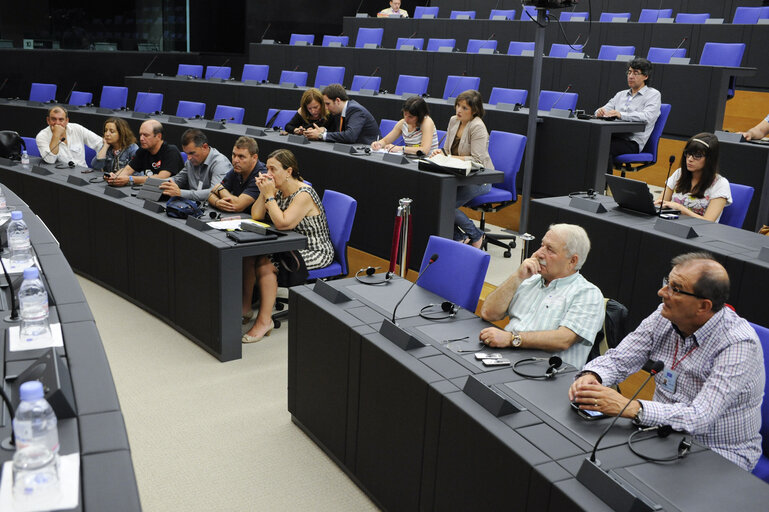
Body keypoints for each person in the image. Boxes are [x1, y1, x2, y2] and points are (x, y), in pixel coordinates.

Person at [569, 253, 764, 471]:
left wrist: (631, 407)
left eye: (675, 289)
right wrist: (592, 376)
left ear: (703, 306)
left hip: (717, 451)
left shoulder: (738, 345)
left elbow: (700, 417)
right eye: (666, 283)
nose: (662, 292)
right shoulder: (664, 316)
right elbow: (619, 359)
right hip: (660, 433)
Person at [479, 224, 605, 369]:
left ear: (572, 261)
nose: (539, 253)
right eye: (542, 245)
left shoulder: (587, 294)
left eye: (550, 249)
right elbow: (488, 313)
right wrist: (517, 276)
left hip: (544, 373)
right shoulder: (529, 279)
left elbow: (563, 339)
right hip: (505, 359)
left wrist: (512, 339)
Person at [242, 149, 333, 343]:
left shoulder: (304, 193)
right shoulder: (278, 190)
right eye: (266, 168)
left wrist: (269, 196)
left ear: (289, 171)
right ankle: (245, 307)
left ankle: (264, 321)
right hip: (287, 245)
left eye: (273, 169)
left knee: (266, 263)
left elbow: (284, 223)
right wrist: (263, 193)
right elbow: (257, 216)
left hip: (314, 249)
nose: (267, 174)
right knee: (249, 254)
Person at [430, 89, 494, 248]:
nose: (459, 110)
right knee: (435, 198)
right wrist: (441, 152)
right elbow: (447, 150)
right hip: (458, 175)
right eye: (458, 105)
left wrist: (449, 157)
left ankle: (476, 235)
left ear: (475, 110)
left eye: (464, 108)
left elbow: (478, 160)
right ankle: (459, 236)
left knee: (445, 203)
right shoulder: (453, 120)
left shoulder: (478, 127)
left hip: (479, 178)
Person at [655, 133, 731, 222]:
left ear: (710, 159)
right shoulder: (679, 173)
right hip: (672, 225)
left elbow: (708, 221)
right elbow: (660, 203)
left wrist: (680, 209)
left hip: (700, 231)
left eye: (697, 156)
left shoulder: (720, 184)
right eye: (688, 153)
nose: (690, 159)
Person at [595, 57, 661, 161]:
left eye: (635, 73)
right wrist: (599, 112)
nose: (630, 76)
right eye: (629, 72)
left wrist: (620, 114)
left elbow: (647, 117)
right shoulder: (620, 94)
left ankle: (604, 178)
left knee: (603, 148)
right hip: (613, 136)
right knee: (591, 142)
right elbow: (604, 109)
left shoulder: (653, 95)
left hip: (632, 142)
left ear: (646, 76)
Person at [158, 129, 232, 201]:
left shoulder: (220, 163)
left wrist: (181, 193)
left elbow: (214, 192)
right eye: (186, 153)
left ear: (205, 147)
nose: (189, 158)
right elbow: (178, 180)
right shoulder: (191, 161)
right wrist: (155, 182)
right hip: (193, 205)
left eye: (192, 153)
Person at [106, 120, 184, 186]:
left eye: (146, 135)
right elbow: (128, 170)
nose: (141, 139)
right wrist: (115, 177)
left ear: (158, 136)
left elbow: (161, 178)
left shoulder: (171, 151)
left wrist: (130, 179)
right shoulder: (143, 151)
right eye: (140, 135)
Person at [303, 84, 379, 144]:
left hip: (369, 148)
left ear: (338, 101)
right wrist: (322, 131)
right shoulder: (339, 111)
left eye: (328, 104)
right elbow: (339, 134)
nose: (326, 108)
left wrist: (321, 135)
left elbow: (350, 136)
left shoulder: (355, 110)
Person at [207, 136, 266, 213]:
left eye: (241, 157)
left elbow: (237, 206)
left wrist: (219, 188)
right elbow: (210, 194)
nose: (235, 160)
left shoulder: (261, 175)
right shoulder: (236, 170)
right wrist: (217, 202)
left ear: (254, 157)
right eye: (234, 155)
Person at [35, 105, 102, 167]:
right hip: (61, 175)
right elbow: (50, 160)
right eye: (53, 119)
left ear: (67, 121)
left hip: (83, 172)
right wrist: (56, 135)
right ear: (48, 120)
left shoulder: (77, 129)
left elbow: (99, 143)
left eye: (61, 119)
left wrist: (100, 164)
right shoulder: (42, 136)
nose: (57, 123)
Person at [371, 96, 439, 155]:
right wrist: (378, 144)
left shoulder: (427, 122)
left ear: (420, 115)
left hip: (425, 162)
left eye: (410, 117)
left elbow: (424, 150)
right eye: (405, 114)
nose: (406, 119)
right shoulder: (403, 123)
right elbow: (385, 141)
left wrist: (400, 148)